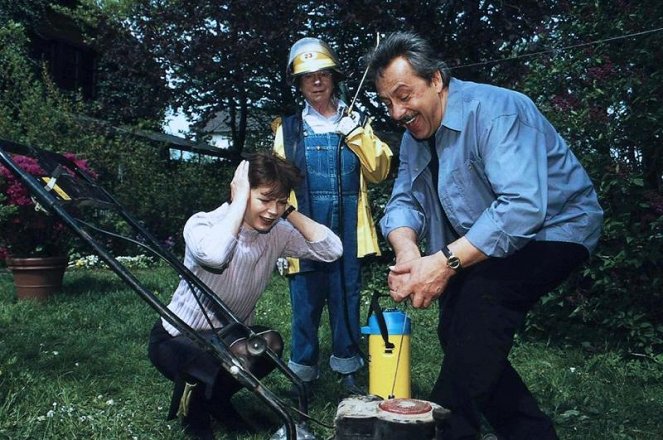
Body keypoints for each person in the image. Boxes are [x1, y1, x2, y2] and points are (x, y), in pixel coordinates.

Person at [366, 31, 603, 440]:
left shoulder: (499, 111)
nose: (397, 111)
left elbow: (523, 208)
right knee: (457, 329)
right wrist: (408, 253)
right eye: (388, 102)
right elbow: (404, 200)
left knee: (481, 303)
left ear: (436, 80)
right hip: (489, 238)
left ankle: (443, 430)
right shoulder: (413, 139)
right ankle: (531, 432)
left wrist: (442, 262)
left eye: (404, 96)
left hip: (557, 228)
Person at [147, 153, 342, 440]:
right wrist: (238, 203)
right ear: (240, 190)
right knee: (206, 356)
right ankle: (195, 416)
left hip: (228, 335)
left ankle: (217, 401)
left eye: (280, 201)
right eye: (265, 199)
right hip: (176, 339)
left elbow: (331, 250)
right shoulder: (204, 224)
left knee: (268, 344)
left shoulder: (279, 232)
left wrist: (289, 211)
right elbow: (215, 256)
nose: (273, 211)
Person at [272, 37, 393, 394]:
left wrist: (355, 134)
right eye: (308, 76)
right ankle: (303, 376)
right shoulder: (288, 129)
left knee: (346, 300)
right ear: (299, 83)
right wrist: (280, 242)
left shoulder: (357, 119)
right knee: (305, 304)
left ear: (334, 77)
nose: (317, 81)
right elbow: (277, 187)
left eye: (323, 73)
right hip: (303, 228)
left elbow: (380, 170)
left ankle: (348, 370)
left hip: (348, 228)